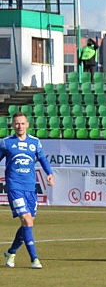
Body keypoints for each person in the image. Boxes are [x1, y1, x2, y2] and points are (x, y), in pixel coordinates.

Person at [1, 113, 55, 269]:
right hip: (14, 187)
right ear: (12, 125)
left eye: (22, 123)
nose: (20, 126)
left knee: (28, 223)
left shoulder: (35, 142)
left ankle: (11, 253)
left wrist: (49, 174)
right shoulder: (6, 143)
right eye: (17, 123)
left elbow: (43, 159)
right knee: (26, 220)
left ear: (27, 124)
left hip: (31, 188)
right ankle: (34, 259)